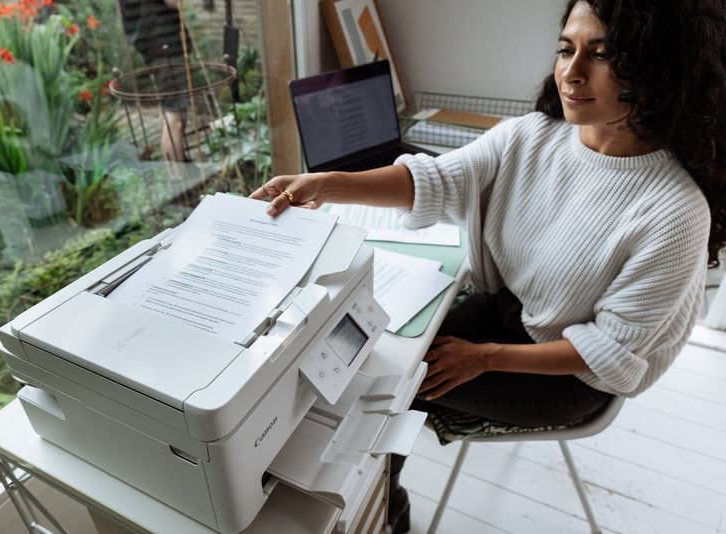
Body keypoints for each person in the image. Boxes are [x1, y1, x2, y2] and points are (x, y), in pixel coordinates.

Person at [251, 0, 726, 532]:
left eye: (603, 55)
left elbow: (605, 353)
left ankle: (385, 510)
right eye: (566, 49)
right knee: (376, 359)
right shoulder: (531, 137)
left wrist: (485, 358)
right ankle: (375, 495)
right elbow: (439, 179)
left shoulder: (674, 213)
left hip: (569, 375)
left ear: (657, 70)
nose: (572, 72)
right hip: (509, 314)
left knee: (391, 387)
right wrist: (327, 183)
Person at [119, 0, 192, 161]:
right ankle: (177, 178)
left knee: (168, 108)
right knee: (175, 118)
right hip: (165, 43)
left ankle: (176, 171)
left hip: (150, 42)